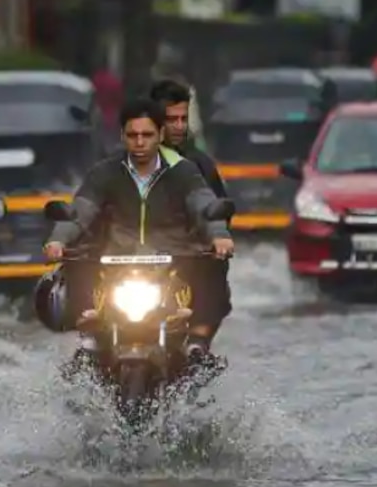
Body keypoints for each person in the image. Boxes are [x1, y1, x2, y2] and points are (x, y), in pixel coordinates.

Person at [42, 98, 235, 364]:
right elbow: (81, 211)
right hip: (115, 264)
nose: (140, 142)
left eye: (147, 135)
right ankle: (89, 341)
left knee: (213, 267)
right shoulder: (104, 173)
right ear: (122, 136)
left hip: (173, 263)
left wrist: (219, 236)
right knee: (76, 263)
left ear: (161, 135)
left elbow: (203, 205)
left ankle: (197, 345)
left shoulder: (183, 172)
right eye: (133, 135)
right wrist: (58, 240)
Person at [150, 77, 233, 345]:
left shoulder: (198, 165)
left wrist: (215, 237)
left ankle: (198, 342)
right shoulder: (120, 161)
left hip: (185, 259)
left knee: (213, 273)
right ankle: (91, 346)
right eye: (170, 119)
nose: (178, 126)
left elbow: (213, 207)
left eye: (182, 119)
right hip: (132, 259)